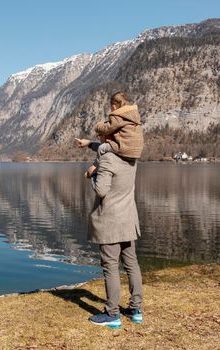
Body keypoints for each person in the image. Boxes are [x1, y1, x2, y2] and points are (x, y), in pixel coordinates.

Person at [77, 93, 144, 329]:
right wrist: (90, 144)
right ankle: (136, 309)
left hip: (111, 222)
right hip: (129, 219)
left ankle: (112, 314)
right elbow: (110, 149)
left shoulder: (106, 162)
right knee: (132, 263)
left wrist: (91, 175)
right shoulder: (130, 159)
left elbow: (102, 191)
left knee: (110, 267)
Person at [75, 91, 143, 178]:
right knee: (104, 147)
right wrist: (89, 143)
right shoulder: (133, 116)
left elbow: (107, 129)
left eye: (110, 107)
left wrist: (98, 126)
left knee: (102, 148)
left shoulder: (119, 116)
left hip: (124, 148)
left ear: (114, 106)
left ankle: (97, 168)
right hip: (136, 151)